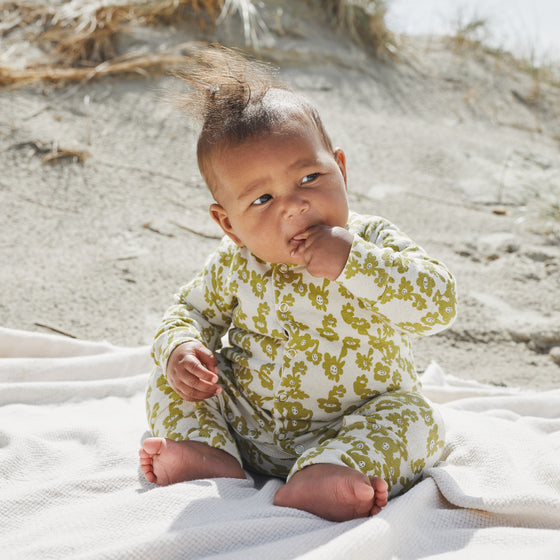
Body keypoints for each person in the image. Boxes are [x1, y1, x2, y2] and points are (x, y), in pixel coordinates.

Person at [138, 48, 457, 522]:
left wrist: (356, 263)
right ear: (229, 224)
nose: (293, 205)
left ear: (341, 170)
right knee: (168, 379)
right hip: (249, 423)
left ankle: (328, 472)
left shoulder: (371, 240)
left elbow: (439, 303)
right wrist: (181, 347)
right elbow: (191, 310)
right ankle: (207, 453)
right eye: (263, 198)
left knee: (419, 419)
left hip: (356, 421)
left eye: (310, 177)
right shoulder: (236, 263)